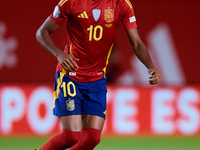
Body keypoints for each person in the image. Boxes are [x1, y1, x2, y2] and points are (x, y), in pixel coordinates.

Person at [36, 0, 161, 149]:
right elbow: (41, 32)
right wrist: (59, 54)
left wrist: (151, 66)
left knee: (92, 138)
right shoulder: (71, 3)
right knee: (71, 136)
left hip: (97, 79)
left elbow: (137, 43)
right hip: (71, 75)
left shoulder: (121, 4)